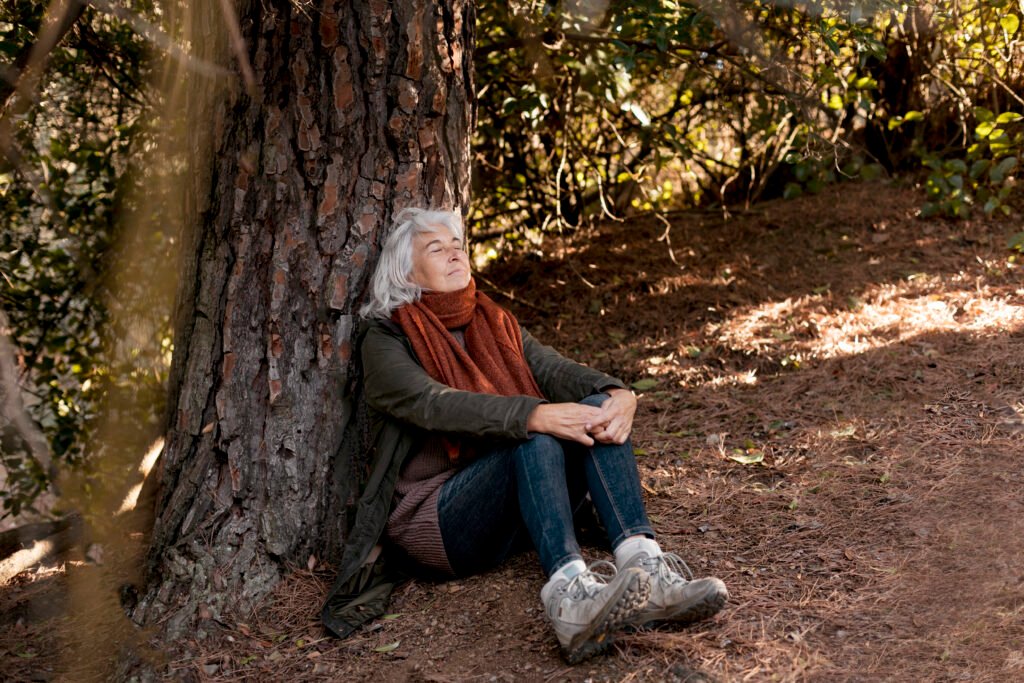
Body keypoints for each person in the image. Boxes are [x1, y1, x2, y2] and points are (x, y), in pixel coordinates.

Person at [322, 208, 728, 663]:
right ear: (404, 272)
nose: (455, 253)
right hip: (436, 518)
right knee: (533, 432)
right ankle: (570, 597)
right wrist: (534, 415)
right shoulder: (386, 337)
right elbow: (430, 402)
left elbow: (554, 369)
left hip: (509, 496)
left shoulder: (493, 321)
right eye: (436, 249)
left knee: (594, 409)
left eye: (457, 244)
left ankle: (646, 568)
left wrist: (617, 391)